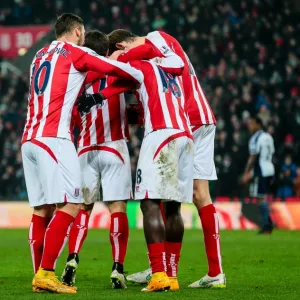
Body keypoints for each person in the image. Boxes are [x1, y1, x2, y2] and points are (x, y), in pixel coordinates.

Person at [21, 14, 143, 294]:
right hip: (55, 138)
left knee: (41, 210)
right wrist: (132, 72)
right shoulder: (78, 53)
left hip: (29, 138)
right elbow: (118, 71)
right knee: (73, 204)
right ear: (77, 31)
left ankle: (39, 276)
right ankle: (46, 273)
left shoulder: (38, 55)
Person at [107, 29, 225, 288]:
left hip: (186, 118)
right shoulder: (159, 57)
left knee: (164, 193)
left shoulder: (154, 38)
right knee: (193, 194)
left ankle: (165, 269)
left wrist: (119, 60)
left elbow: (155, 53)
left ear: (121, 45)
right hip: (195, 118)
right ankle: (205, 272)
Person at [76, 45, 193, 292]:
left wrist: (111, 66)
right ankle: (171, 276)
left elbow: (113, 71)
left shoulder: (139, 65)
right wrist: (104, 98)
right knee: (173, 208)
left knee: (149, 204)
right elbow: (179, 66)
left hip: (160, 134)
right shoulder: (169, 66)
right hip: (185, 134)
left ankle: (158, 274)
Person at [61, 30, 132, 290]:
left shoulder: (78, 78)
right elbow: (132, 84)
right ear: (106, 50)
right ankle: (117, 269)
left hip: (85, 150)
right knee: (117, 208)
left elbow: (73, 116)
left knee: (83, 208)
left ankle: (72, 260)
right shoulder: (117, 69)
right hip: (114, 146)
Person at [241, 116, 275, 233]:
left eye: (252, 124)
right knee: (262, 196)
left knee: (259, 197)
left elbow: (253, 157)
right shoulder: (268, 137)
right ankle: (268, 222)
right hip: (270, 169)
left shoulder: (255, 138)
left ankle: (266, 225)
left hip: (261, 170)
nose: (250, 126)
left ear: (258, 125)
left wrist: (246, 173)